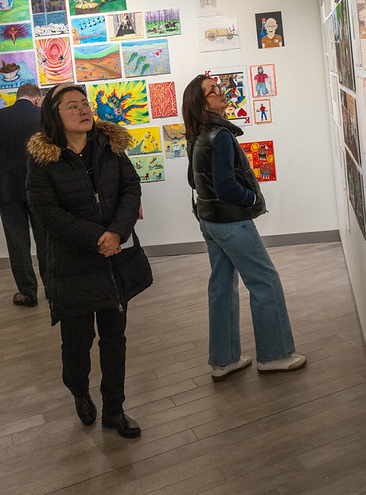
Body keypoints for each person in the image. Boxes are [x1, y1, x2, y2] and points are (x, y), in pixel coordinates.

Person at [26, 84, 152, 438]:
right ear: (54, 115)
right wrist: (98, 238)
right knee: (77, 341)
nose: (83, 110)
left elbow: (131, 188)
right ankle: (79, 391)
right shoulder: (43, 159)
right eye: (72, 106)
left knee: (114, 338)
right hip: (72, 265)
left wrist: (118, 232)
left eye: (85, 104)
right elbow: (45, 211)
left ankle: (115, 409)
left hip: (113, 261)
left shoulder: (109, 146)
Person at [182, 74, 306, 381]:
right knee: (265, 281)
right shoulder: (220, 135)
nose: (221, 92)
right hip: (230, 222)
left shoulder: (197, 134)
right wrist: (250, 197)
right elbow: (226, 186)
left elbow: (193, 181)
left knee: (221, 287)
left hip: (209, 220)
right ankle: (275, 355)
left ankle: (224, 361)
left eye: (219, 87)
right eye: (213, 91)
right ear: (202, 103)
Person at [0, 82, 47, 308]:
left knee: (17, 244)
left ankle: (28, 293)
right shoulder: (43, 116)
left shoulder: (1, 117)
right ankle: (52, 288)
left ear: (17, 96)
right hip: (40, 189)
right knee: (46, 240)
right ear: (37, 99)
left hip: (6, 190)